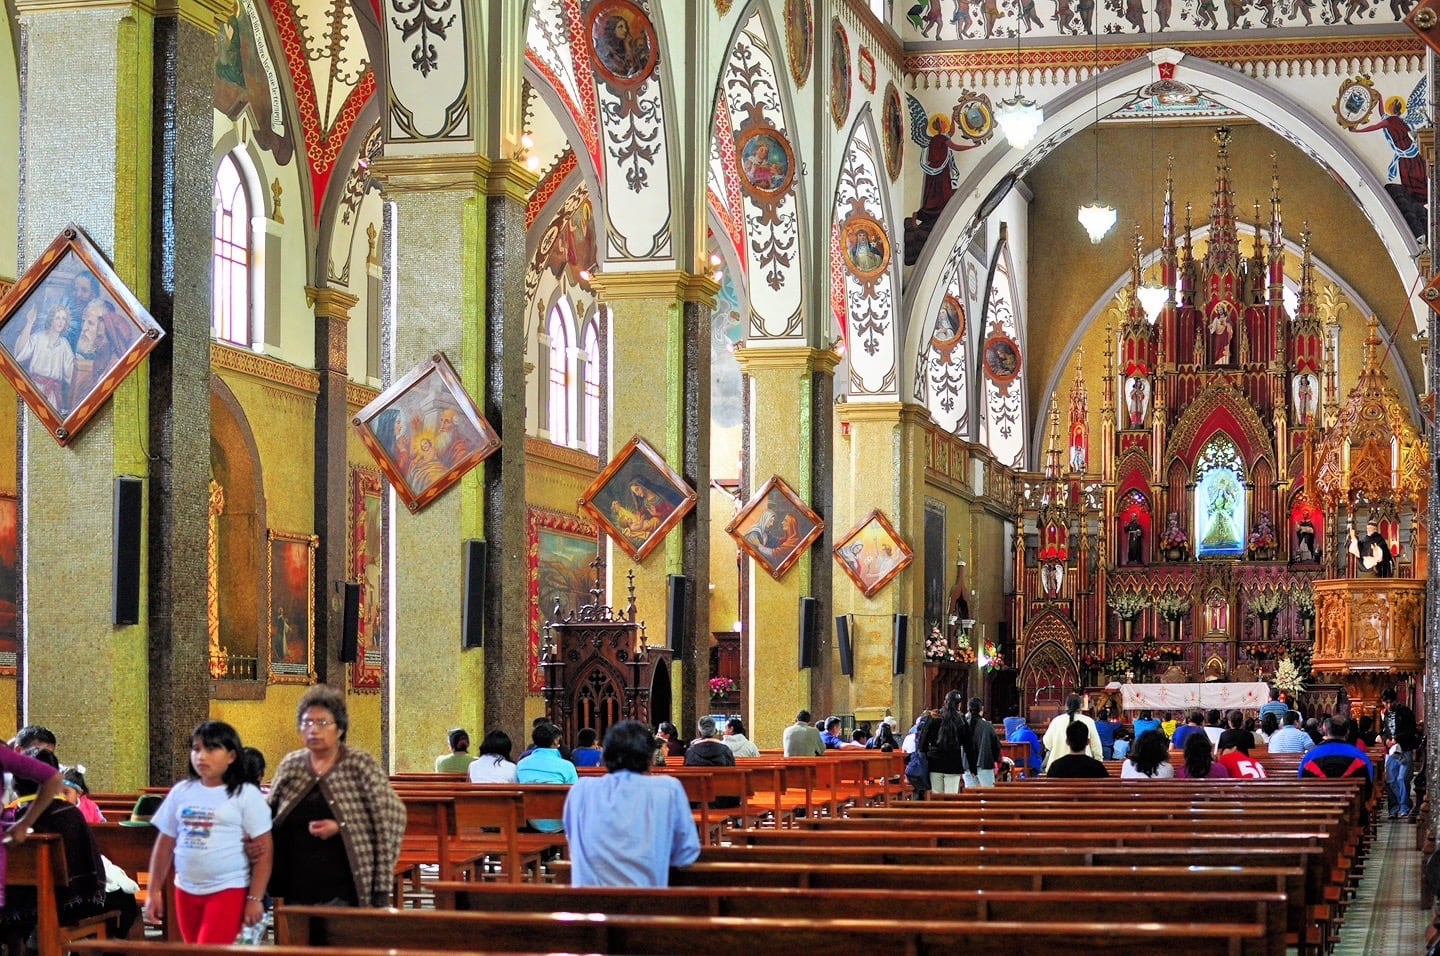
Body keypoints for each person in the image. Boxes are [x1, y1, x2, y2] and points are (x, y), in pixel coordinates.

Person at [267, 685, 406, 908]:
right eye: (307, 723)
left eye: (322, 723)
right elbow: (269, 812)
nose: (313, 730)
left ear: (340, 728)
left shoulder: (359, 765)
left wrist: (342, 826)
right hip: (296, 881)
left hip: (345, 882)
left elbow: (393, 815)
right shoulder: (292, 765)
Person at [142, 721, 272, 944]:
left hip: (228, 888)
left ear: (231, 756)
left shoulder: (245, 795)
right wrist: (153, 891)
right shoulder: (182, 791)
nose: (201, 756)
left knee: (207, 949)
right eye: (196, 749)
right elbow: (165, 844)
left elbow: (265, 852)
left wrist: (255, 898)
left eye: (211, 749)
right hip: (185, 888)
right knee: (195, 950)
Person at [561, 721, 700, 887]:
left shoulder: (580, 790)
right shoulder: (668, 788)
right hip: (647, 904)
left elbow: (572, 839)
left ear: (604, 756)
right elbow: (687, 852)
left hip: (589, 907)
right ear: (651, 758)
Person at [516, 724, 578, 832]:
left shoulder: (522, 764)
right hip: (560, 821)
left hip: (532, 820)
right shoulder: (567, 766)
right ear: (556, 741)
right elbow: (575, 795)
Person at [12, 303, 75, 410]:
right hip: (35, 388)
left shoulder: (64, 344)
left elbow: (69, 373)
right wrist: (29, 323)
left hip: (53, 393)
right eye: (57, 318)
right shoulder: (38, 338)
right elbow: (20, 353)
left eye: (64, 319)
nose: (61, 322)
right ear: (51, 320)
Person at [918, 690, 968, 794]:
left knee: (937, 799)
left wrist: (927, 754)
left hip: (935, 762)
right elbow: (967, 743)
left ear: (945, 702)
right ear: (959, 705)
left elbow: (922, 742)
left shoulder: (933, 717)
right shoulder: (961, 720)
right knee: (951, 798)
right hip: (953, 763)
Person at [1299, 717, 1374, 784]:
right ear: (1347, 732)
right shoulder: (1360, 756)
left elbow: (1301, 781)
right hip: (1349, 798)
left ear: (1326, 730)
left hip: (1316, 798)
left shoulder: (1310, 756)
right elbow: (1368, 788)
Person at [1380, 688, 1418, 818]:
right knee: (1391, 780)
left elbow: (1411, 730)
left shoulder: (1405, 712)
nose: (1389, 705)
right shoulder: (1385, 714)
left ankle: (1404, 807)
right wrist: (1386, 741)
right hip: (1391, 751)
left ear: (1396, 701)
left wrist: (1397, 739)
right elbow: (1384, 731)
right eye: (1386, 703)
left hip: (1404, 749)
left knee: (1402, 778)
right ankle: (1394, 808)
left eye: (1391, 702)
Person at [1040, 695, 1101, 772]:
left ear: (1066, 706)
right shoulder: (1089, 721)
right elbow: (1096, 746)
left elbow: (1047, 743)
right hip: (1084, 768)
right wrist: (1098, 761)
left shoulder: (1056, 721)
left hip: (1057, 768)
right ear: (1081, 706)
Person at [960, 697, 1001, 788]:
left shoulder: (963, 725)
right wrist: (996, 760)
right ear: (981, 709)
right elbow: (996, 746)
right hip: (984, 764)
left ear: (968, 710)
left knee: (971, 799)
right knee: (988, 797)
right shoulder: (987, 726)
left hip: (967, 765)